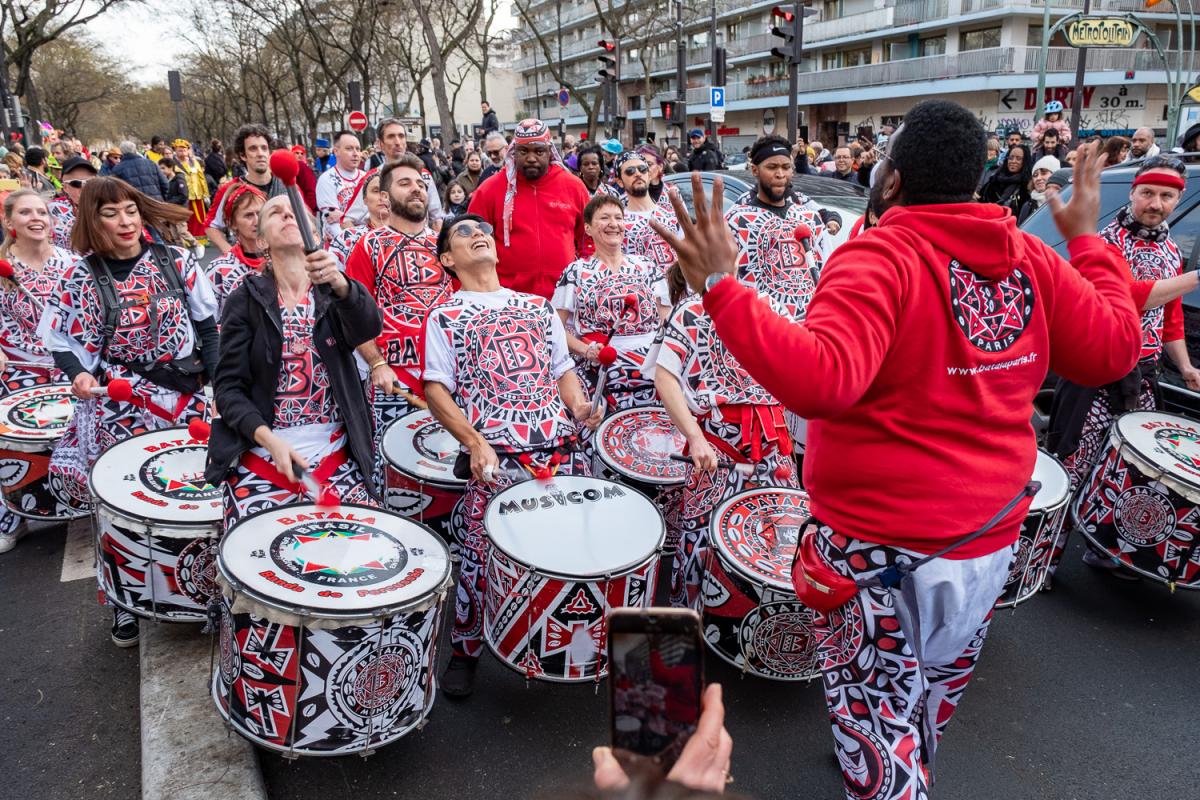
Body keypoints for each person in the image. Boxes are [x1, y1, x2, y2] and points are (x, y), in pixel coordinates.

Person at [649, 99, 1141, 799]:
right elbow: (1114, 349)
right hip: (985, 538)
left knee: (879, 726)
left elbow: (822, 380)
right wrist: (1089, 241)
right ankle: (886, 761)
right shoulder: (1033, 256)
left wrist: (723, 289)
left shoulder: (881, 254)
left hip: (877, 550)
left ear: (891, 180)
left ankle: (879, 770)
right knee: (927, 695)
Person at [424, 212, 601, 697]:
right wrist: (475, 441)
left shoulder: (537, 306)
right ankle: (465, 651)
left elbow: (561, 368)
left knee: (572, 550)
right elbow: (437, 389)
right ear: (446, 259)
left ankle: (574, 644)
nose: (477, 234)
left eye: (483, 230)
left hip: (560, 447)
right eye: (463, 232)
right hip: (498, 456)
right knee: (483, 557)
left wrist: (580, 405)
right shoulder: (446, 315)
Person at [39, 177, 219, 648]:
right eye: (111, 213)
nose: (126, 221)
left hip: (185, 397)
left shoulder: (178, 262)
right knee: (121, 510)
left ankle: (201, 590)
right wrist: (78, 373)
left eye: (131, 210)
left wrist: (220, 382)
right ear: (92, 221)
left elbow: (208, 326)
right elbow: (63, 341)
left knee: (193, 497)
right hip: (119, 406)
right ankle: (124, 601)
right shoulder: (80, 277)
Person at [204, 195, 381, 527]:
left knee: (361, 550)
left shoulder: (333, 292)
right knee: (255, 558)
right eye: (275, 213)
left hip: (335, 449)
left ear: (312, 232)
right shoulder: (244, 300)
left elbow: (368, 327)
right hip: (264, 448)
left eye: (293, 211)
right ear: (261, 239)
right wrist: (270, 441)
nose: (287, 216)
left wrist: (344, 286)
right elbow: (228, 390)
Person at [1047, 155, 1198, 494]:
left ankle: (1097, 547)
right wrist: (1195, 278)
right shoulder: (1105, 241)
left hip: (1141, 377)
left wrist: (1186, 366)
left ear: (1178, 198)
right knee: (1072, 471)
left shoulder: (1172, 251)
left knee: (1125, 477)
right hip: (1094, 376)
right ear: (1132, 193)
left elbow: (1169, 319)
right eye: (1147, 193)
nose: (1155, 204)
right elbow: (1131, 295)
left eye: (1166, 196)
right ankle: (1050, 546)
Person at [344, 155, 453, 476]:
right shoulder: (368, 246)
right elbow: (352, 314)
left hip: (446, 379)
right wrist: (376, 363)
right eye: (405, 184)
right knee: (397, 474)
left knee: (448, 466)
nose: (416, 189)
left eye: (421, 184)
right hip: (394, 382)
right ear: (385, 196)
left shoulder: (445, 246)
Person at [0, 190, 79, 553]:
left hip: (67, 364)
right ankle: (13, 510)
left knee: (79, 429)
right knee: (13, 440)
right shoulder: (2, 266)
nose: (37, 218)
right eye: (26, 212)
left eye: (42, 212)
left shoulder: (71, 263)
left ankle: (81, 495)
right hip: (19, 366)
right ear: (8, 222)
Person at [553, 193, 670, 411]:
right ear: (588, 228)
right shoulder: (576, 271)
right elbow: (555, 327)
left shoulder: (646, 265)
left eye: (619, 217)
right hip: (600, 369)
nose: (613, 224)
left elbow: (667, 320)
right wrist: (586, 350)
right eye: (605, 218)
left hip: (651, 368)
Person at [466, 118, 589, 299]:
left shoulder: (573, 186)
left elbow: (589, 238)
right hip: (508, 298)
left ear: (549, 151)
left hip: (564, 297)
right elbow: (469, 242)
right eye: (523, 151)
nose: (531, 158)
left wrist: (585, 276)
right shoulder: (489, 190)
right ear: (513, 152)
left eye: (539, 151)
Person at [344, 118, 444, 233]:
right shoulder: (372, 178)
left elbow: (436, 219)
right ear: (381, 144)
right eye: (391, 137)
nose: (397, 142)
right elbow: (348, 220)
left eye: (401, 136)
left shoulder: (423, 175)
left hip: (418, 245)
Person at [205, 124, 287, 255]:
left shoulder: (287, 184)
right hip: (252, 261)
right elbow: (211, 226)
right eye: (253, 149)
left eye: (264, 148)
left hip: (285, 256)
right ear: (243, 155)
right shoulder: (231, 189)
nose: (260, 153)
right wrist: (232, 254)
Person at [203, 184, 266, 320]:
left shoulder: (282, 260)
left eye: (261, 213)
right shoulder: (219, 270)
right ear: (232, 223)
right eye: (249, 215)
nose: (257, 221)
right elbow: (209, 323)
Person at [616, 151, 680, 276]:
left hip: (676, 290)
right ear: (619, 181)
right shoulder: (618, 222)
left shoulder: (671, 214)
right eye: (630, 171)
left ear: (649, 175)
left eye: (642, 169)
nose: (638, 174)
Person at [328, 172, 390, 268]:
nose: (382, 196)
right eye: (376, 190)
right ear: (365, 200)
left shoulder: (412, 235)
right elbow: (333, 276)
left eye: (388, 191)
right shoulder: (346, 238)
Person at [315, 130, 365, 246]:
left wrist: (343, 216)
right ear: (336, 151)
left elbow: (374, 216)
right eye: (349, 149)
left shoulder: (366, 177)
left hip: (367, 243)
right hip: (340, 247)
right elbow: (331, 220)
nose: (355, 153)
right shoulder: (326, 179)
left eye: (358, 149)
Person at [48, 155, 96, 251]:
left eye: (90, 182)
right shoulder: (51, 209)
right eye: (76, 183)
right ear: (65, 187)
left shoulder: (108, 205)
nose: (84, 187)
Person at [172, 139, 210, 247]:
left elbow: (201, 178)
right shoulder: (174, 164)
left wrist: (205, 193)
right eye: (180, 150)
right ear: (175, 151)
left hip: (197, 194)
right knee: (186, 219)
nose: (183, 152)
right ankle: (188, 240)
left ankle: (201, 239)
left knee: (199, 218)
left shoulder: (195, 162)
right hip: (184, 196)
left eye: (184, 150)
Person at [977, 143, 1031, 214]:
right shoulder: (995, 179)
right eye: (1011, 158)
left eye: (1018, 159)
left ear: (1025, 161)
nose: (1013, 161)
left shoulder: (1027, 186)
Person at [1017, 155, 1060, 224]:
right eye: (1035, 175)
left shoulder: (1063, 201)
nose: (1038, 178)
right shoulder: (1028, 206)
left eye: (1043, 173)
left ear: (1055, 175)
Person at [290, 144, 318, 212]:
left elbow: (311, 187)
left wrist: (309, 207)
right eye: (297, 153)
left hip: (304, 207)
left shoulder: (302, 166)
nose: (300, 155)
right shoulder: (293, 166)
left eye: (302, 153)